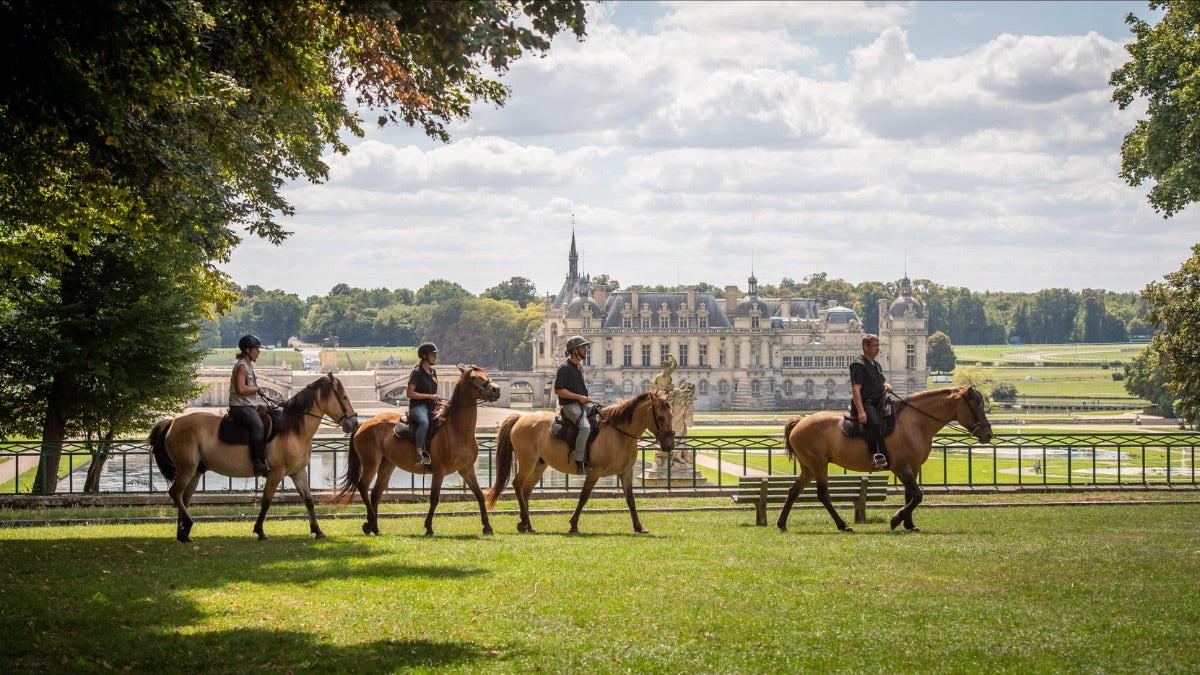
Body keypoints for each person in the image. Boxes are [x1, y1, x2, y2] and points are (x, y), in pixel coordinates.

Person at [229, 334, 272, 477]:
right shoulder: (242, 366)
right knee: (258, 426)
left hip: (248, 404)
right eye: (256, 349)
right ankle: (258, 462)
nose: (258, 351)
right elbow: (241, 389)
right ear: (247, 350)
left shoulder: (248, 365)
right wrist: (257, 389)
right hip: (240, 407)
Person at [850, 334, 893, 470]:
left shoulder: (876, 364)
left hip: (879, 402)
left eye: (878, 346)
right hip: (865, 403)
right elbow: (856, 390)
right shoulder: (858, 365)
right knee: (874, 424)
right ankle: (875, 455)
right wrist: (861, 411)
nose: (877, 349)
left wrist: (887, 384)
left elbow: (882, 380)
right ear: (865, 347)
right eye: (874, 346)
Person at [555, 335, 594, 473]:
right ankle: (579, 461)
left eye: (585, 347)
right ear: (574, 350)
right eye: (583, 348)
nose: (585, 350)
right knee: (585, 428)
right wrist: (579, 397)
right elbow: (559, 390)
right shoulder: (564, 368)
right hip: (569, 406)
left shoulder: (579, 367)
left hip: (581, 403)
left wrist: (587, 399)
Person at [405, 342, 443, 465]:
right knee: (424, 422)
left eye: (435, 354)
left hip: (432, 406)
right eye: (433, 354)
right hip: (418, 407)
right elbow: (410, 393)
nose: (435, 357)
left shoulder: (433, 372)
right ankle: (419, 453)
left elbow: (433, 391)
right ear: (425, 356)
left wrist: (438, 400)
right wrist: (430, 396)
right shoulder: (417, 372)